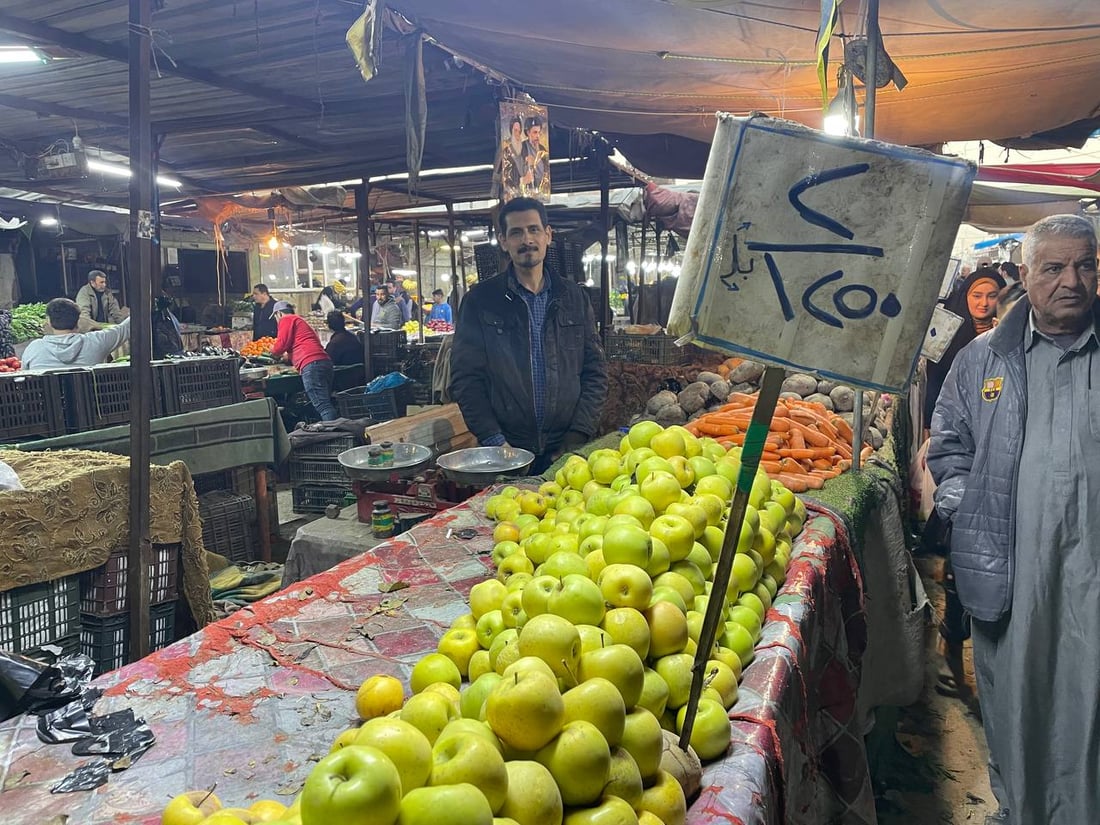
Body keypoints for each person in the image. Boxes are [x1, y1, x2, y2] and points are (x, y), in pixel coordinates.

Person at [928, 214, 1100, 824]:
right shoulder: (982, 359)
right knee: (1019, 700)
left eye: (1084, 265)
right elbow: (948, 449)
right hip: (1011, 570)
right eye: (1053, 267)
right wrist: (967, 510)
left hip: (1093, 574)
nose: (1071, 281)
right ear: (1024, 275)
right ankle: (1022, 810)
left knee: (1090, 703)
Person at [449, 196, 607, 475]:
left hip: (567, 448)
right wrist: (496, 440)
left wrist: (578, 435)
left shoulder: (573, 297)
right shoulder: (481, 301)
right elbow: (466, 379)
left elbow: (595, 372)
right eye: (516, 232)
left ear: (548, 235)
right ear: (503, 240)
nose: (527, 240)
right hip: (507, 449)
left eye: (534, 230)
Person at [269, 301, 338, 421]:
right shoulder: (300, 321)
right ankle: (330, 430)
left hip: (311, 365)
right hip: (323, 362)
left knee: (323, 405)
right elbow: (302, 344)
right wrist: (289, 357)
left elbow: (280, 346)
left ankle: (334, 434)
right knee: (324, 402)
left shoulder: (286, 319)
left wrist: (272, 351)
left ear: (278, 314)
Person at [21, 298, 131, 370]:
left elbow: (24, 377)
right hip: (89, 404)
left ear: (49, 322)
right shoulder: (96, 342)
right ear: (78, 321)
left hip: (48, 406)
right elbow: (126, 327)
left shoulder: (34, 348)